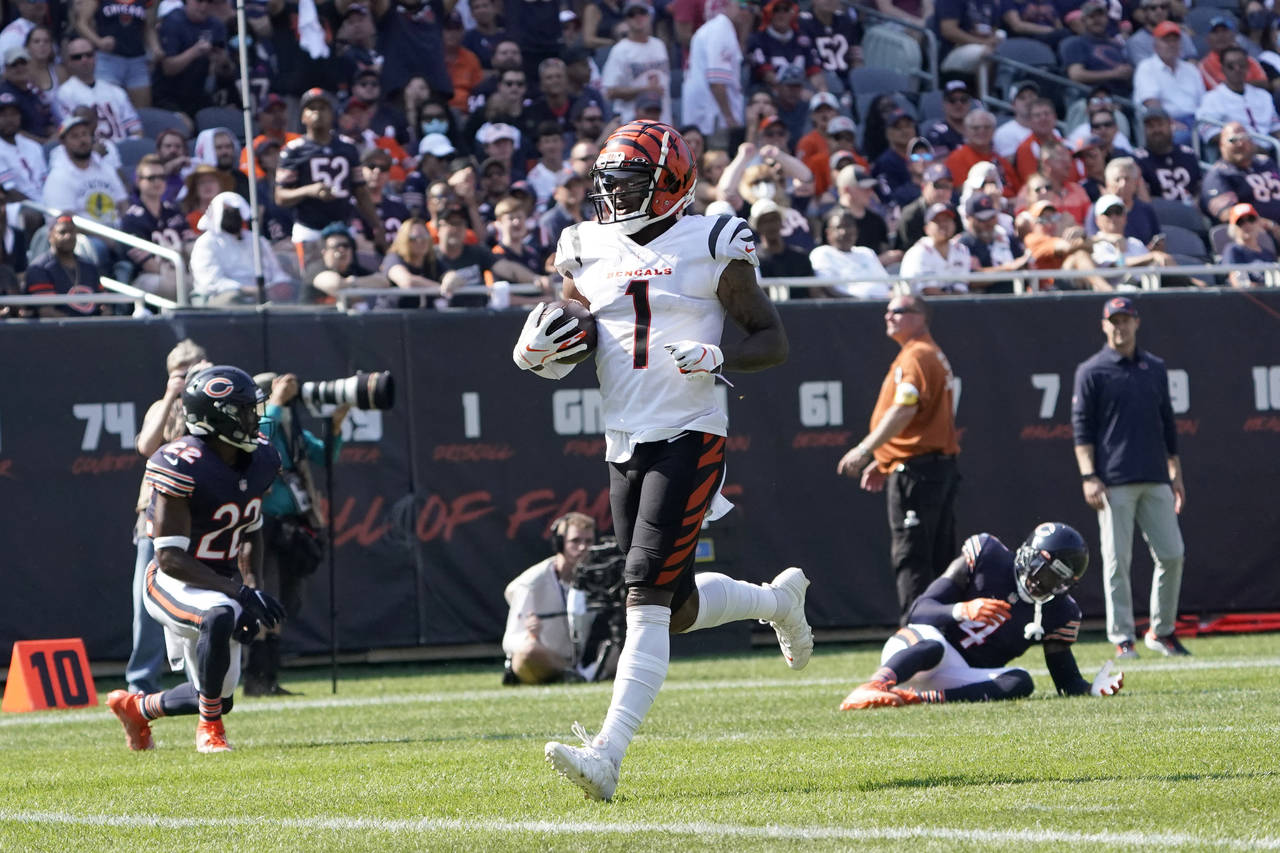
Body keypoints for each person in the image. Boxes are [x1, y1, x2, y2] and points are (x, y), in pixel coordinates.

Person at [515, 119, 811, 802]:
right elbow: (579, 329)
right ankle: (777, 600)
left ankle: (607, 754)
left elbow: (772, 340)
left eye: (627, 182)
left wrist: (719, 357)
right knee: (673, 605)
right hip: (625, 437)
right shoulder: (585, 244)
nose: (613, 195)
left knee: (643, 590)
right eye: (608, 182)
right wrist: (542, 346)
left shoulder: (712, 236)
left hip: (692, 430)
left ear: (671, 182)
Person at [106, 365, 287, 753]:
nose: (255, 418)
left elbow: (251, 528)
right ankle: (210, 731)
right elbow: (170, 557)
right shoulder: (181, 462)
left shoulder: (261, 459)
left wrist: (250, 586)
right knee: (217, 616)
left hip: (219, 579)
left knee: (220, 695)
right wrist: (239, 592)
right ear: (217, 417)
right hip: (173, 580)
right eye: (244, 410)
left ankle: (136, 708)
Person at [839, 523, 1124, 708]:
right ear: (1029, 556)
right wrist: (962, 610)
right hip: (915, 649)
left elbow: (1066, 681)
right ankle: (874, 685)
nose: (1045, 584)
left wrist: (1090, 690)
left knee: (1021, 680)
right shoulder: (988, 556)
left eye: (1058, 581)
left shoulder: (1061, 610)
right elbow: (919, 611)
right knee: (934, 645)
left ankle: (913, 698)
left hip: (959, 675)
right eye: (1044, 571)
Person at [1072, 296, 1189, 659]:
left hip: (1155, 476)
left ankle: (1162, 631)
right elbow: (1081, 429)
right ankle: (1122, 638)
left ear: (1137, 323)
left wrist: (1176, 473)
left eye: (1126, 320)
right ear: (1103, 325)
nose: (1120, 327)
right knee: (1116, 561)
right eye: (1114, 321)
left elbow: (1167, 422)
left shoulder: (1154, 367)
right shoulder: (1091, 370)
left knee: (1172, 554)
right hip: (1113, 480)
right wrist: (1089, 475)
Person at [836, 292, 960, 624]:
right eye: (888, 311)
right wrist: (887, 458)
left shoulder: (917, 355)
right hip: (929, 467)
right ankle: (945, 637)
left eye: (899, 311)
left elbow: (906, 408)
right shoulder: (925, 353)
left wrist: (865, 450)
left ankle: (916, 636)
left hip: (919, 475)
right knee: (938, 557)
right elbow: (923, 421)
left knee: (913, 559)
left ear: (921, 317)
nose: (889, 316)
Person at [241, 372, 349, 696]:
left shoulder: (290, 425)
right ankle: (257, 679)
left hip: (291, 525)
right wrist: (275, 403)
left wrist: (337, 423)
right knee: (266, 595)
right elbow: (258, 443)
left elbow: (325, 454)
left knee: (285, 601)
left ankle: (269, 678)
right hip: (261, 526)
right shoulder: (253, 426)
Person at [127, 340, 209, 696]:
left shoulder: (207, 408)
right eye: (181, 372)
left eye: (194, 368)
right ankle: (141, 684)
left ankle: (201, 681)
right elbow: (147, 446)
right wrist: (170, 394)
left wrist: (206, 386)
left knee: (201, 599)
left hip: (198, 517)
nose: (188, 377)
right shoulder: (159, 408)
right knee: (145, 604)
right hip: (155, 517)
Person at [276, 88, 386, 283]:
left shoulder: (347, 148)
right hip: (310, 229)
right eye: (311, 108)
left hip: (343, 228)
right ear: (302, 116)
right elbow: (280, 196)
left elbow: (360, 191)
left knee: (349, 280)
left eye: (323, 108)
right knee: (314, 283)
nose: (317, 113)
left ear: (332, 113)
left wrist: (376, 226)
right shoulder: (294, 151)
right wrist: (308, 190)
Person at [503, 512, 599, 684]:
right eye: (575, 541)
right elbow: (509, 642)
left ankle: (582, 674)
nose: (583, 547)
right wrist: (530, 634)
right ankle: (576, 674)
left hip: (581, 659)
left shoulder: (599, 579)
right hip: (542, 660)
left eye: (588, 541)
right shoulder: (532, 583)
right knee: (528, 652)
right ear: (559, 543)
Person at [189, 192, 293, 305]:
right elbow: (211, 282)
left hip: (264, 295)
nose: (232, 215)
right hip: (223, 297)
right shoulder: (206, 242)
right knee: (232, 299)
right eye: (227, 211)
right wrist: (247, 290)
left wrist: (279, 285)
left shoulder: (256, 239)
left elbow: (276, 272)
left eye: (236, 211)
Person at [21, 213, 106, 317]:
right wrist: (81, 327)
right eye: (62, 232)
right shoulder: (40, 268)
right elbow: (47, 312)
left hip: (93, 328)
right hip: (59, 331)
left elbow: (103, 302)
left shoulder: (89, 266)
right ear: (50, 236)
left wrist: (105, 313)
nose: (68, 236)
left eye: (72, 232)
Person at [808, 208, 890, 299]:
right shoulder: (822, 253)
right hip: (848, 308)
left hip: (883, 303)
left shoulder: (866, 252)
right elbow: (828, 287)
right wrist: (858, 301)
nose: (844, 232)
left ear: (856, 230)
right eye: (838, 227)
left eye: (848, 226)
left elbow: (887, 282)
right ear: (828, 233)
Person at [899, 203, 972, 295]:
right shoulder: (918, 252)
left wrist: (957, 305)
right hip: (920, 307)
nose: (943, 225)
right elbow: (930, 292)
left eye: (947, 220)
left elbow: (960, 289)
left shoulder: (962, 250)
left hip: (953, 306)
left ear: (954, 224)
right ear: (926, 229)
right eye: (937, 221)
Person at [1222, 202, 1276, 287]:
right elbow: (1236, 283)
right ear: (1233, 227)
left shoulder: (1268, 253)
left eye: (1251, 219)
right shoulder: (1233, 250)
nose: (1247, 225)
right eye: (1240, 222)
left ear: (1258, 223)